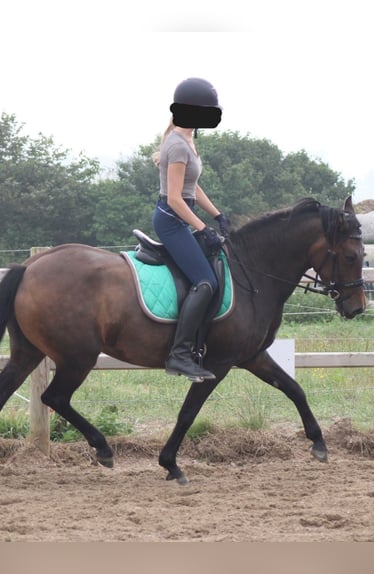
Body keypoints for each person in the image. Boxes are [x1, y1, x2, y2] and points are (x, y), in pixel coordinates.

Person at [152, 77, 231, 382]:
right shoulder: (176, 144)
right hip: (170, 220)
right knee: (206, 281)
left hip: (181, 217)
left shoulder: (188, 141)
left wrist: (218, 215)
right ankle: (180, 355)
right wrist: (201, 228)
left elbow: (191, 188)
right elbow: (174, 198)